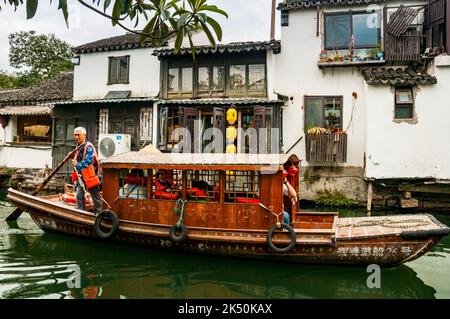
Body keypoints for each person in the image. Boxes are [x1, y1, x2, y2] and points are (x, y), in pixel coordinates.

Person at [72, 127, 102, 214]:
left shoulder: (89, 147)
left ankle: (99, 214)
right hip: (81, 176)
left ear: (84, 135)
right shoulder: (78, 147)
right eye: (75, 135)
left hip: (90, 176)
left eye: (78, 135)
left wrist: (77, 164)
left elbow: (88, 161)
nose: (76, 137)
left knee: (95, 196)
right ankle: (82, 213)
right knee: (79, 195)